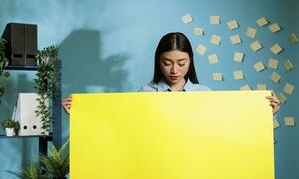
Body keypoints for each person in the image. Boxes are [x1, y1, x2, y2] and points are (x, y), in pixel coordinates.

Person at [62, 32, 281, 114]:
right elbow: (124, 126)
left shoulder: (205, 93)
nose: (174, 70)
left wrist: (264, 113)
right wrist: (80, 113)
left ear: (190, 62)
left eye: (181, 62)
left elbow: (227, 125)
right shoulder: (146, 92)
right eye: (167, 63)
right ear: (158, 62)